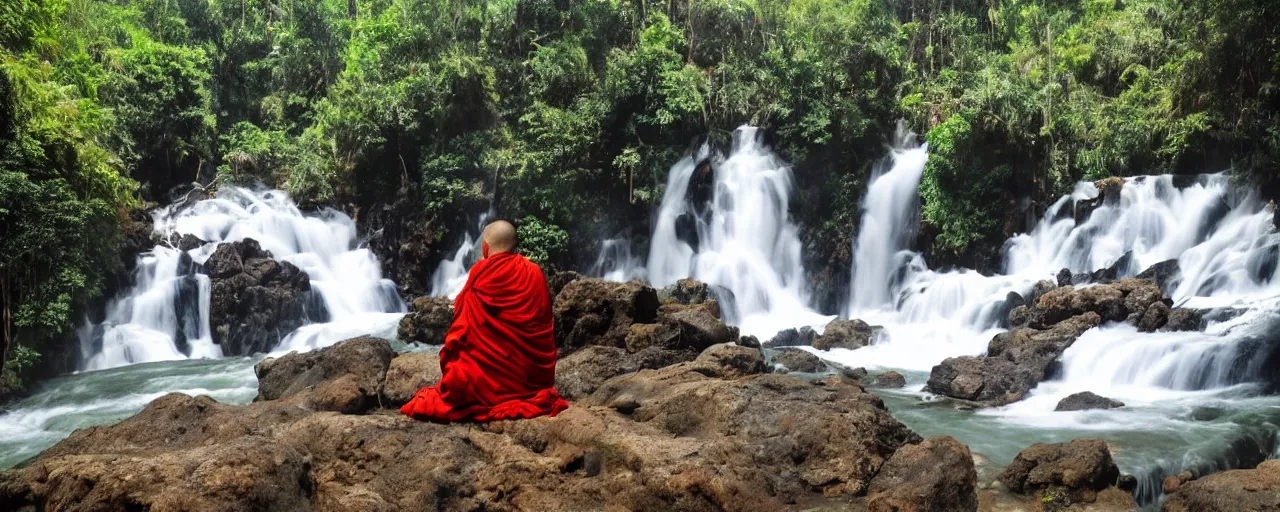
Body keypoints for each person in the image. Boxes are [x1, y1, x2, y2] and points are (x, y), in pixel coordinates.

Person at [400, 220, 569, 422]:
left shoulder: (482, 272)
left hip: (484, 385)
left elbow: (461, 330)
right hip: (531, 380)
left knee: (453, 380)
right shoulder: (534, 272)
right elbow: (544, 326)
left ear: (486, 246)